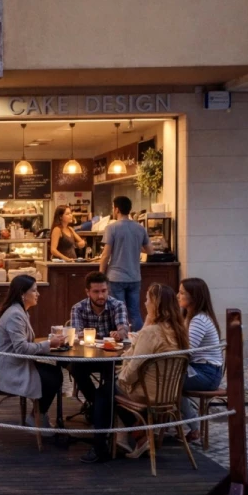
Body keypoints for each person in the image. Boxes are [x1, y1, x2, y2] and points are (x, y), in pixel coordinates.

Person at [81, 283, 187, 463]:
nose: (144, 303)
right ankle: (138, 436)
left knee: (103, 393)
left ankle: (99, 448)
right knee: (110, 391)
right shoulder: (179, 330)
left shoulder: (152, 333)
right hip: (169, 394)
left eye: (147, 300)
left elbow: (132, 369)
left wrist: (119, 378)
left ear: (155, 304)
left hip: (147, 393)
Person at [0, 275, 66, 431]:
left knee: (53, 373)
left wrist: (47, 344)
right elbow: (22, 349)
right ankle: (36, 417)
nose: (38, 294)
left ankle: (38, 415)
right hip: (8, 369)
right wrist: (49, 344)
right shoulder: (15, 315)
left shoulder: (19, 311)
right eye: (34, 291)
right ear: (22, 294)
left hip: (11, 363)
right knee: (53, 377)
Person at [69, 271, 130, 423]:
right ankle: (97, 404)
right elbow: (76, 335)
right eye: (96, 292)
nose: (101, 296)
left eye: (104, 291)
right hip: (87, 357)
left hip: (111, 357)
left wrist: (120, 333)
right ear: (87, 292)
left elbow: (123, 328)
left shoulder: (117, 305)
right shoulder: (78, 308)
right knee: (74, 367)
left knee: (113, 375)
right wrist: (81, 336)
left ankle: (101, 408)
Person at [178, 277, 224, 443]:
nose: (178, 295)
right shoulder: (191, 317)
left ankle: (193, 426)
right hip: (202, 370)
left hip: (206, 374)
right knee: (164, 382)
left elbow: (185, 352)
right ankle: (178, 424)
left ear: (194, 297)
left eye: (182, 292)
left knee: (165, 383)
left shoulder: (198, 320)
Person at [99, 195, 154, 332]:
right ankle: (138, 341)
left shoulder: (112, 228)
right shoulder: (139, 228)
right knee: (135, 312)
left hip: (116, 277)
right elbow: (150, 250)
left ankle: (118, 341)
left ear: (116, 209)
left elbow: (106, 254)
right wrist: (134, 245)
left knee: (118, 312)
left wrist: (100, 275)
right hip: (135, 277)